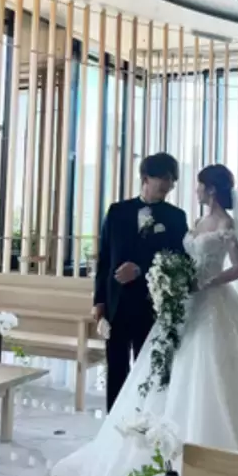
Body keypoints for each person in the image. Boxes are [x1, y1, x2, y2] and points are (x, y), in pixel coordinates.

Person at [51, 163, 238, 476]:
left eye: (196, 185)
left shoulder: (218, 223)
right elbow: (164, 257)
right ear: (147, 178)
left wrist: (203, 282)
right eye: (167, 179)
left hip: (212, 304)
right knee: (160, 372)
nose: (187, 189)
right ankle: (141, 441)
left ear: (210, 189)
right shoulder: (188, 220)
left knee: (210, 372)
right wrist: (169, 280)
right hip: (179, 304)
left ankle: (209, 452)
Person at [94, 152, 188, 411]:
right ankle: (114, 420)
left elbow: (179, 260)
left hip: (152, 305)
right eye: (165, 178)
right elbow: (104, 259)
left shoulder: (176, 217)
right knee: (116, 367)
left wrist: (141, 269)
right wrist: (99, 301)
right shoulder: (117, 212)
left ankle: (144, 417)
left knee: (148, 368)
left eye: (173, 180)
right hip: (116, 303)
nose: (169, 185)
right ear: (146, 177)